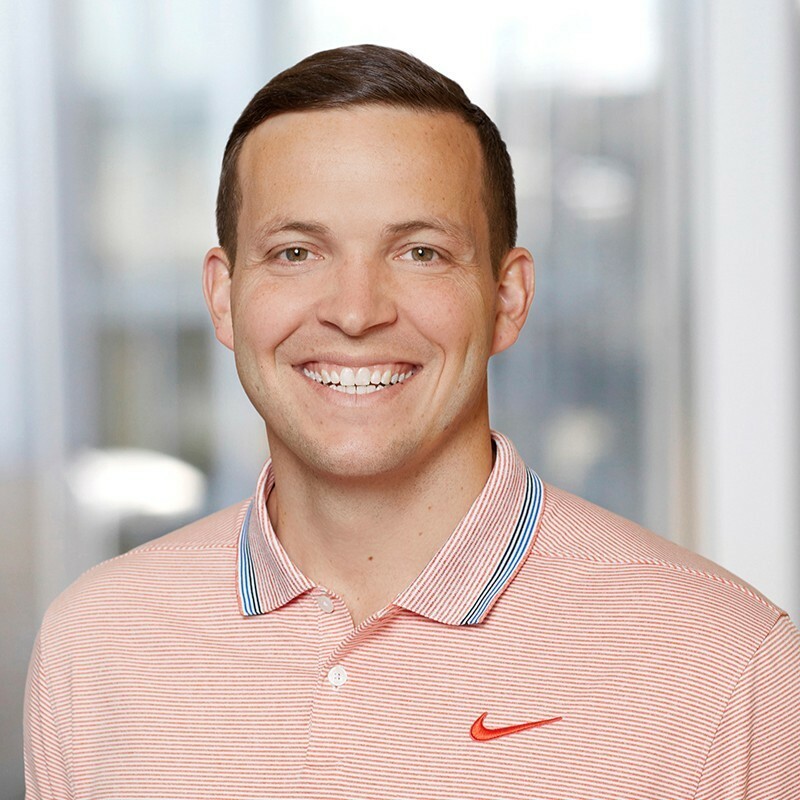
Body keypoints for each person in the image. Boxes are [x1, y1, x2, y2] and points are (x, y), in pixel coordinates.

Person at [24, 44, 800, 799]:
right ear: (224, 297)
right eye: (296, 253)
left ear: (507, 298)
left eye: (420, 252)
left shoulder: (727, 664)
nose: (356, 311)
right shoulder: (94, 644)